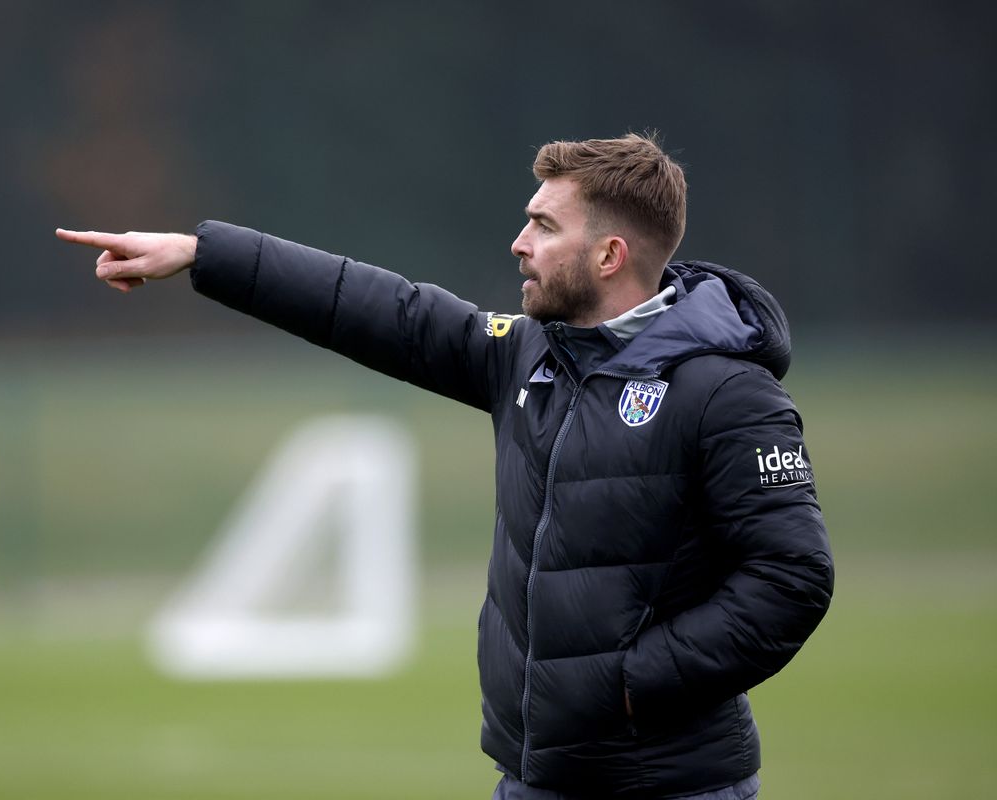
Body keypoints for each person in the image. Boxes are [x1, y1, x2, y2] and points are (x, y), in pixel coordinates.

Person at [57, 133, 833, 799]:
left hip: (672, 785)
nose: (518, 243)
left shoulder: (726, 392)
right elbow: (374, 306)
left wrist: (633, 684)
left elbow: (791, 580)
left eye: (542, 225)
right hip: (532, 778)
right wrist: (202, 255)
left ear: (609, 254)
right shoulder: (527, 354)